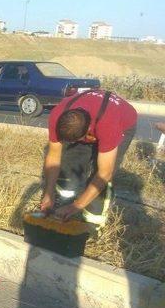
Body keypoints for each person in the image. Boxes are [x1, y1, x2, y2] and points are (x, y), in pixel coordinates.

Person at [40, 90, 137, 228]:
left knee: (101, 178)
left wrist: (76, 206)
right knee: (70, 163)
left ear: (88, 133)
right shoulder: (56, 115)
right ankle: (62, 202)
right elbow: (54, 156)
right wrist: (49, 193)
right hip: (90, 121)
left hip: (123, 121)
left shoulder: (108, 123)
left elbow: (104, 173)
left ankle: (92, 223)